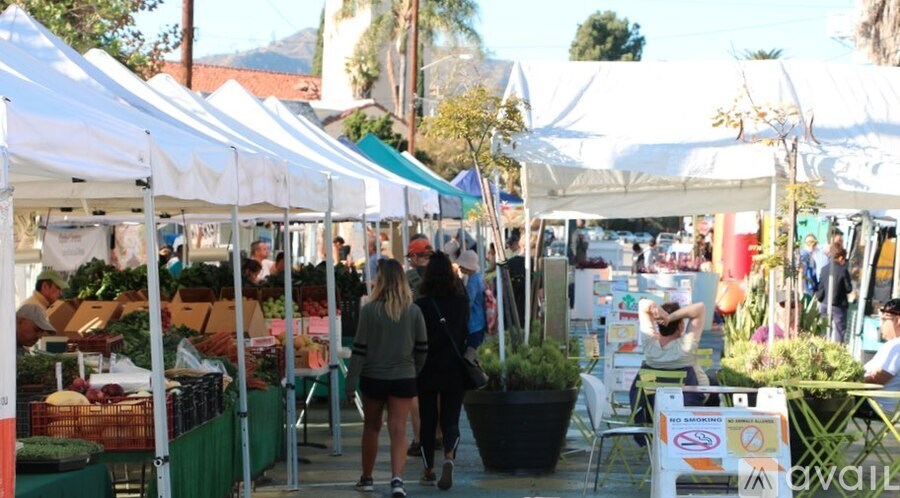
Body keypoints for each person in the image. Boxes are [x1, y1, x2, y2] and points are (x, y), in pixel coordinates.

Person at [346, 259, 427, 497]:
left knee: (371, 428)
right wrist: (414, 371)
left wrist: (350, 383)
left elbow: (359, 350)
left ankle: (367, 477)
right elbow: (422, 348)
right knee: (399, 429)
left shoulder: (369, 311)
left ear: (380, 281)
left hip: (373, 377)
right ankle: (397, 480)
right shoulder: (413, 311)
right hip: (404, 376)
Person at [414, 252, 470, 489]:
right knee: (451, 420)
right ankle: (449, 457)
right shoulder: (461, 302)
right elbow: (467, 332)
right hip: (455, 367)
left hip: (427, 367)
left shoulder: (420, 306)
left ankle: (428, 470)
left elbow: (415, 339)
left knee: (427, 422)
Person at [630, 299, 708, 424]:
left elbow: (642, 304)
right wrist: (671, 317)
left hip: (656, 401)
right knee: (715, 384)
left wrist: (658, 310)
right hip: (689, 401)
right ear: (681, 325)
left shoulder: (649, 345)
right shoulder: (686, 347)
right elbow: (700, 307)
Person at [403, 236, 433, 457]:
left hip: (415, 339)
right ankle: (438, 433)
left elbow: (404, 307)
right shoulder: (443, 276)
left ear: (414, 256)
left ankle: (419, 437)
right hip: (441, 337)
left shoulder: (408, 278)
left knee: (416, 392)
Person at [862, 299, 900, 413]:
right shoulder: (893, 345)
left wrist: (850, 380)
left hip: (878, 404)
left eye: (884, 320)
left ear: (898, 321)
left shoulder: (897, 347)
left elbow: (878, 379)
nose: (880, 325)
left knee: (828, 402)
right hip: (883, 403)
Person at [816, 246, 853, 343]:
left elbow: (820, 287)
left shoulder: (824, 269)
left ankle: (821, 351)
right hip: (839, 305)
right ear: (841, 258)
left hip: (824, 303)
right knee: (839, 331)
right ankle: (837, 351)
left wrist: (819, 298)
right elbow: (848, 288)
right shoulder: (843, 270)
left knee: (823, 330)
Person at [456, 250, 486, 349]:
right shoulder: (478, 277)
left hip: (474, 324)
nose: (460, 267)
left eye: (461, 265)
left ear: (467, 267)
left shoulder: (472, 281)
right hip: (480, 320)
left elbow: (468, 302)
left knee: (472, 353)